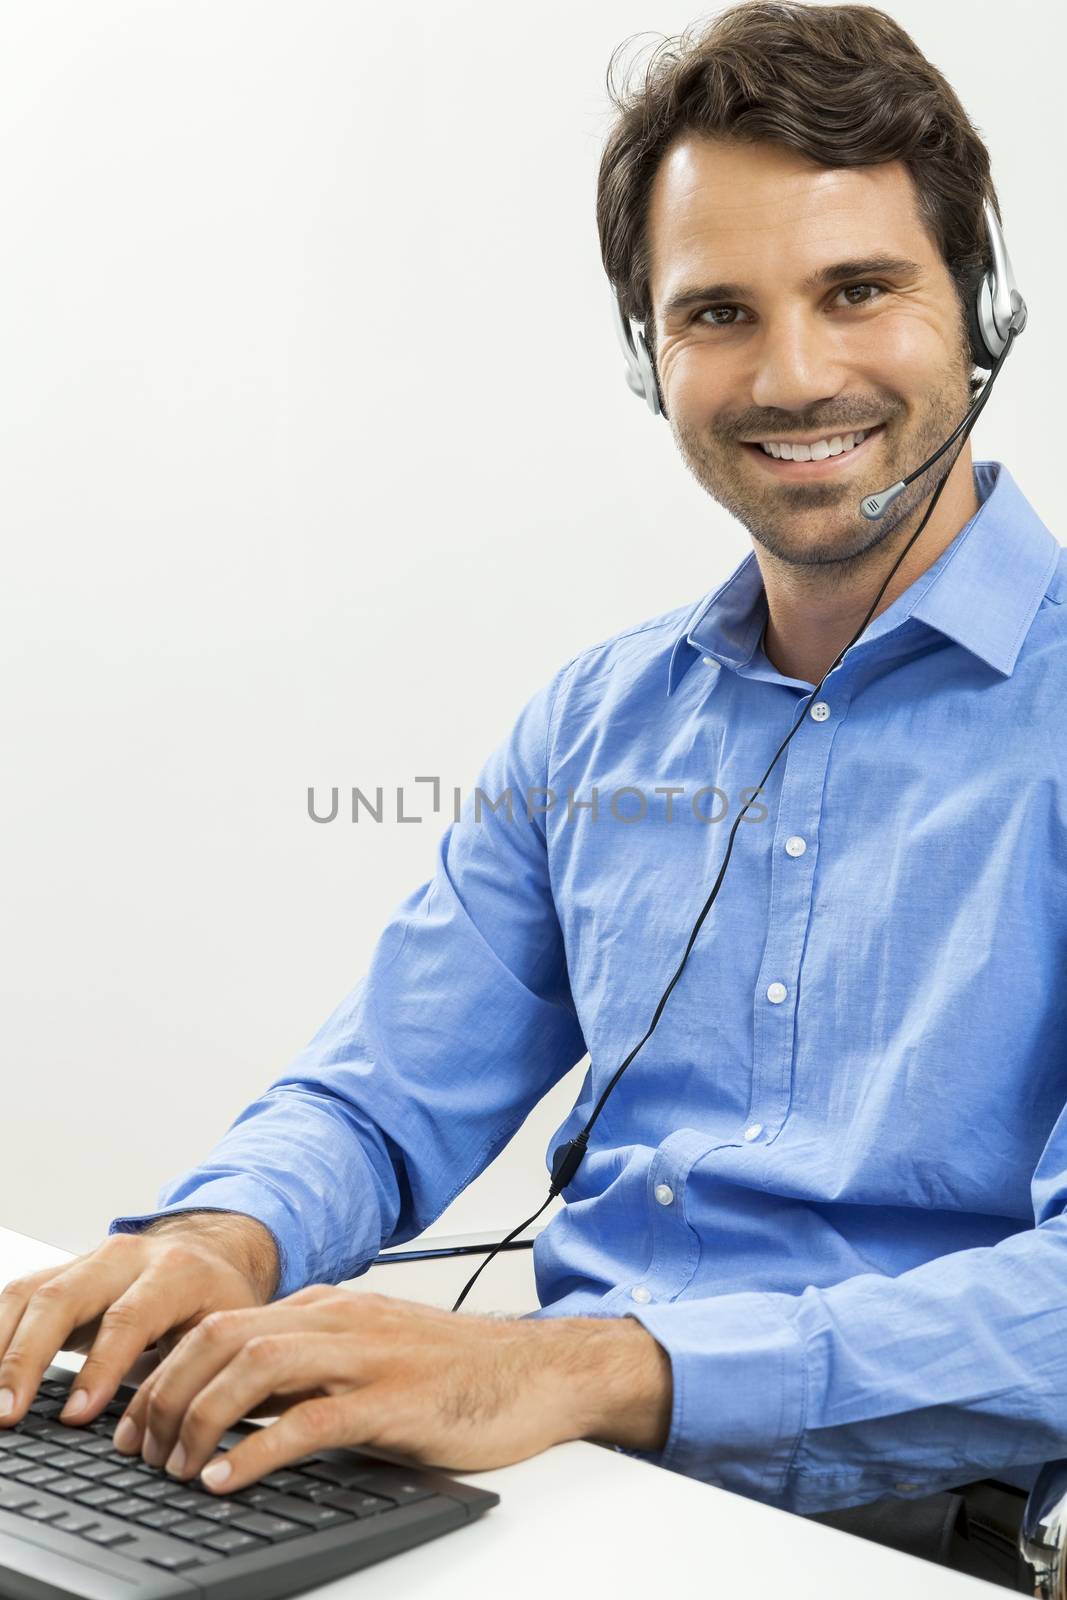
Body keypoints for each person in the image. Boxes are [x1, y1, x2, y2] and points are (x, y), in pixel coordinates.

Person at [0, 3, 1055, 1590]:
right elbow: (380, 1092)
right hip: (556, 1496)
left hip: (904, 1541)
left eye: (858, 291)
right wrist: (221, 1241)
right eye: (716, 312)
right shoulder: (595, 721)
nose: (793, 373)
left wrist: (586, 1368)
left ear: (977, 307)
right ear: (650, 353)